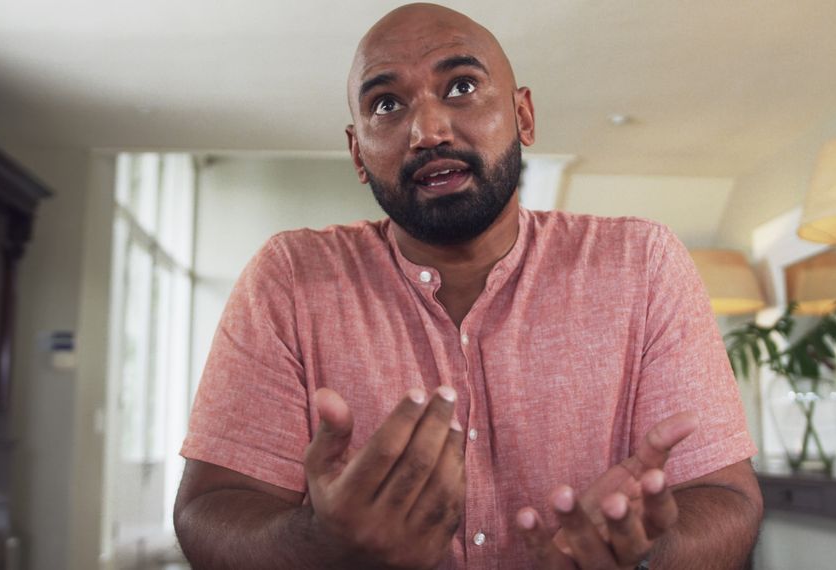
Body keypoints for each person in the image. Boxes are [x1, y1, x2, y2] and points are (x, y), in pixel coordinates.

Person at [173, 3, 762, 569]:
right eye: (386, 104)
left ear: (523, 116)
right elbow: (207, 510)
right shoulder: (290, 277)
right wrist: (320, 546)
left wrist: (640, 554)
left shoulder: (643, 264)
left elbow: (728, 500)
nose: (427, 130)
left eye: (460, 87)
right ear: (357, 152)